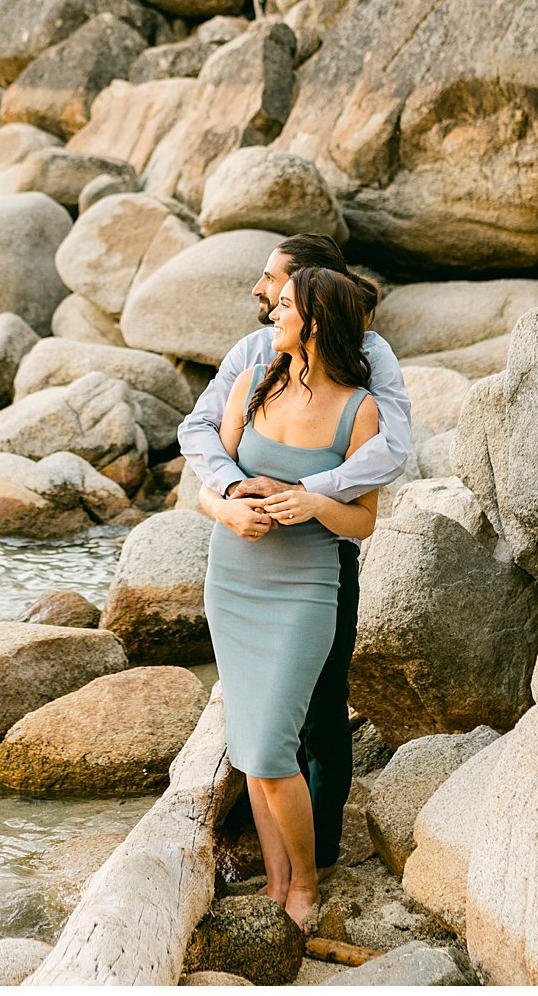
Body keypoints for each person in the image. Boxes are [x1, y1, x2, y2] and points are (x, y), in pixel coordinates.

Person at [178, 235, 411, 900]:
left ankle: (309, 879)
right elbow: (205, 477)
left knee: (286, 740)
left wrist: (315, 499)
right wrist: (227, 508)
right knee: (253, 747)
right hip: (235, 579)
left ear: (314, 315)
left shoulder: (362, 402)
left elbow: (364, 517)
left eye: (282, 299)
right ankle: (277, 884)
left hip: (308, 581)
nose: (268, 307)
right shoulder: (252, 377)